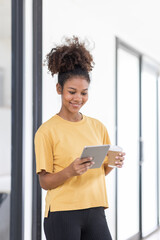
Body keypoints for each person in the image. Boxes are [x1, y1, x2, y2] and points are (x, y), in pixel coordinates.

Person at [34, 36, 125, 240]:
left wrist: (112, 162)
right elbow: (45, 182)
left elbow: (101, 171)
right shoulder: (46, 131)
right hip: (62, 214)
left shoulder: (97, 126)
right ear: (59, 89)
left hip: (96, 210)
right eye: (72, 92)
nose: (78, 99)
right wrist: (69, 171)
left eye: (84, 93)